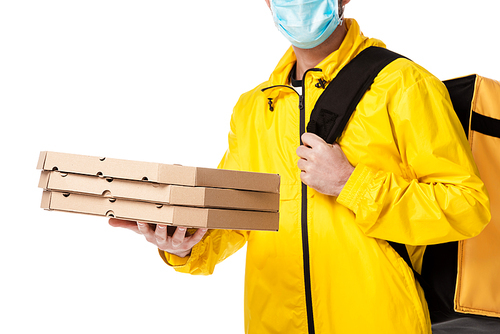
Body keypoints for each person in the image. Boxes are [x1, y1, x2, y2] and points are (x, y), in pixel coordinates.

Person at [109, 0, 491, 333]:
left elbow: (466, 207)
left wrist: (351, 183)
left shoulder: (403, 85)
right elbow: (234, 220)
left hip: (379, 321)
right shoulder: (254, 108)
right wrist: (184, 243)